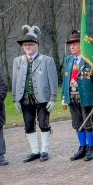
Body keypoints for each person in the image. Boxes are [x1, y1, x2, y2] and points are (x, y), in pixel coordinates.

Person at [12, 25, 59, 163]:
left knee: (44, 124)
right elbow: (15, 80)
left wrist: (53, 98)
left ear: (37, 45)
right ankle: (35, 151)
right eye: (25, 45)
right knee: (28, 125)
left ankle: (44, 150)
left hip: (43, 98)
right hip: (25, 98)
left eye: (30, 45)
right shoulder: (17, 61)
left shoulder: (47, 60)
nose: (27, 47)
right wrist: (15, 99)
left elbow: (53, 80)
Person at [61, 30, 93, 162]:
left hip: (86, 98)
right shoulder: (68, 60)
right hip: (72, 97)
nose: (72, 47)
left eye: (75, 44)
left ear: (81, 45)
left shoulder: (89, 60)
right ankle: (82, 147)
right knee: (77, 124)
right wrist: (64, 96)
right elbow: (66, 80)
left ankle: (90, 149)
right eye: (70, 45)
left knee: (88, 123)